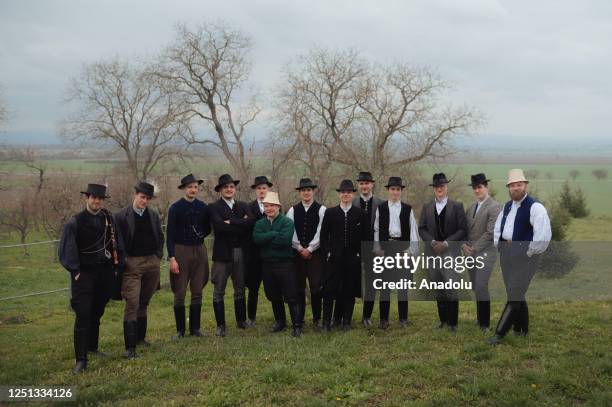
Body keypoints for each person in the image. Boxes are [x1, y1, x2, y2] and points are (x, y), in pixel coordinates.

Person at [59, 183, 121, 373]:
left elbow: (114, 243)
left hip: (104, 273)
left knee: (97, 311)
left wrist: (115, 267)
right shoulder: (75, 222)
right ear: (87, 198)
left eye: (100, 198)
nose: (97, 201)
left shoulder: (108, 218)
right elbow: (66, 250)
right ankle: (81, 359)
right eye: (94, 198)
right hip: (83, 274)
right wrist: (76, 271)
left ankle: (92, 347)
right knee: (83, 314)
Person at [488, 169, 551, 345]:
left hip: (526, 257)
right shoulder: (507, 206)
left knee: (515, 293)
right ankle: (521, 329)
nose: (516, 188)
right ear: (509, 188)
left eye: (519, 185)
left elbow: (543, 235)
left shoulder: (535, 207)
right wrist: (499, 245)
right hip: (507, 255)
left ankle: (499, 334)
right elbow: (498, 228)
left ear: (525, 186)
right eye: (513, 185)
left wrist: (528, 252)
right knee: (515, 292)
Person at [114, 182, 164, 358]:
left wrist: (158, 255)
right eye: (142, 197)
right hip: (132, 264)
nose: (144, 201)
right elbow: (117, 242)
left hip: (152, 261)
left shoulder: (153, 215)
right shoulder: (120, 216)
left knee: (144, 301)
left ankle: (140, 339)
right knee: (132, 303)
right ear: (135, 195)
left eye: (148, 198)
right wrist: (125, 259)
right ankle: (130, 347)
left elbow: (160, 236)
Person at [418, 173, 468, 332]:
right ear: (433, 189)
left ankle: (453, 323)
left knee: (451, 287)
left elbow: (462, 230)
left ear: (446, 187)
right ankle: (443, 321)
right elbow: (422, 229)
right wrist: (433, 242)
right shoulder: (426, 207)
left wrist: (446, 243)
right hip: (432, 253)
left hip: (450, 253)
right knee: (438, 288)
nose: (439, 189)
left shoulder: (457, 206)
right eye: (437, 187)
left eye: (442, 186)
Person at [320, 179, 370, 331]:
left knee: (349, 291)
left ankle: (346, 321)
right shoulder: (330, 212)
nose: (346, 194)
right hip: (334, 257)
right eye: (343, 192)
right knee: (329, 290)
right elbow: (323, 236)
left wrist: (360, 256)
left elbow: (366, 237)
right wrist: (328, 253)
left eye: (348, 192)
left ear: (353, 194)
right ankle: (327, 322)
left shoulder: (360, 214)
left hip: (352, 258)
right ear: (339, 194)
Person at [166, 174, 211, 340]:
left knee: (197, 290)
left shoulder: (203, 207)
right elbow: (169, 235)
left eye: (195, 187)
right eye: (190, 187)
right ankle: (180, 330)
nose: (193, 190)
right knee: (180, 291)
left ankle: (195, 328)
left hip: (199, 249)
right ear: (184, 189)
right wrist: (172, 257)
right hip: (181, 250)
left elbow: (207, 228)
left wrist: (199, 237)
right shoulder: (175, 208)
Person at [209, 174, 254, 337]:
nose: (229, 189)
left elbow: (250, 223)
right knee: (219, 289)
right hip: (222, 254)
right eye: (226, 187)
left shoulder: (243, 205)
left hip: (240, 252)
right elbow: (220, 228)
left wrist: (232, 222)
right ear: (220, 190)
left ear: (235, 189)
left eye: (231, 187)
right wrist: (239, 223)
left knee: (240, 288)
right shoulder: (213, 207)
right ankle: (220, 326)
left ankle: (241, 321)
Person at [252, 191, 302, 337]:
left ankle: (297, 326)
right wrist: (274, 234)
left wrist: (266, 238)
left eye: (272, 206)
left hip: (285, 263)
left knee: (291, 295)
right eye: (266, 206)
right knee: (273, 294)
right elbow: (257, 239)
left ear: (278, 207)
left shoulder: (287, 222)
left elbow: (285, 241)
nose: (269, 209)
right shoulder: (260, 223)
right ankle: (280, 322)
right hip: (267, 264)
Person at [372, 177, 419, 329]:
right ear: (388, 190)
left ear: (401, 191)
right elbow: (377, 229)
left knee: (403, 286)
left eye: (398, 189)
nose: (395, 192)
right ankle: (384, 320)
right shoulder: (381, 208)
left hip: (402, 248)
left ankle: (403, 319)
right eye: (392, 189)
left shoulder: (408, 209)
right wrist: (377, 247)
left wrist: (411, 251)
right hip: (386, 249)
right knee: (385, 286)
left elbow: (413, 231)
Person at [285, 178, 326, 328]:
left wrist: (310, 248)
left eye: (308, 190)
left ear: (313, 191)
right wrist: (299, 248)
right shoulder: (292, 210)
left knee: (315, 287)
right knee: (298, 287)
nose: (306, 193)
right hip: (297, 254)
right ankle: (299, 318)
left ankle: (317, 318)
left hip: (315, 254)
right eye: (303, 190)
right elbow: (290, 231)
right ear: (300, 193)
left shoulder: (322, 210)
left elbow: (321, 231)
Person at [462, 173, 501, 331]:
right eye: (474, 188)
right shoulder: (471, 207)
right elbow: (464, 229)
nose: (477, 190)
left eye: (479, 187)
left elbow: (490, 233)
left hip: (485, 254)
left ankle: (484, 324)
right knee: (474, 286)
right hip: (470, 254)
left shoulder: (494, 206)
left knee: (481, 286)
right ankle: (479, 320)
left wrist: (474, 248)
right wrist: (463, 245)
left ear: (486, 187)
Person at [352, 171, 383, 327]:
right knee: (350, 282)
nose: (364, 186)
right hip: (355, 249)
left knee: (371, 283)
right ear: (359, 186)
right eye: (361, 183)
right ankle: (346, 316)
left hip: (374, 249)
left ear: (372, 184)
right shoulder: (352, 203)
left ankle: (366, 316)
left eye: (367, 183)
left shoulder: (381, 203)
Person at [245, 175, 272, 327]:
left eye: (264, 188)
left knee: (274, 287)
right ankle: (251, 318)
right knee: (253, 288)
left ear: (268, 190)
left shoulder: (274, 206)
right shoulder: (248, 207)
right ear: (255, 190)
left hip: (269, 254)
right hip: (254, 255)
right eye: (259, 188)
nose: (261, 191)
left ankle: (279, 318)